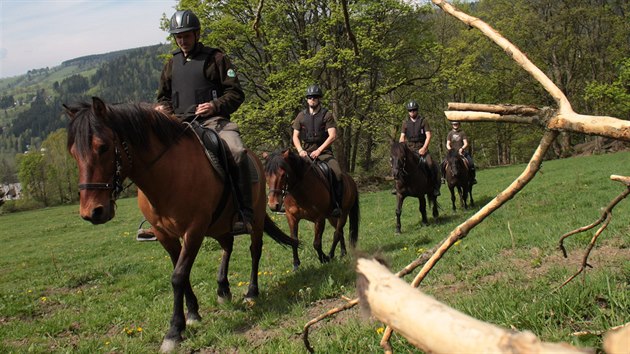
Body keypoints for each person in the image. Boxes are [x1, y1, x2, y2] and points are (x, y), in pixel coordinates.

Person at [137, 9, 250, 240]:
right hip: (178, 124)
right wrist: (162, 109)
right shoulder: (171, 64)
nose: (182, 40)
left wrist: (215, 105)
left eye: (186, 35)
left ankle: (243, 212)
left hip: (212, 121)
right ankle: (155, 220)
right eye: (178, 37)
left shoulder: (216, 58)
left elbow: (236, 93)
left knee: (237, 151)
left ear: (197, 34)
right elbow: (164, 97)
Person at [292, 84, 343, 217]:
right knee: (288, 170)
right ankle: (287, 203)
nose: (312, 99)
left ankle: (336, 205)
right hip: (305, 153)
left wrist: (319, 150)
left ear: (319, 98)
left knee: (337, 172)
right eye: (309, 97)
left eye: (314, 97)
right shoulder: (301, 116)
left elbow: (332, 136)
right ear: (307, 99)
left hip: (324, 153)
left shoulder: (327, 115)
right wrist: (300, 150)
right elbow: (295, 136)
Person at [398, 100, 441, 197]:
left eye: (414, 110)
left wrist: (424, 148)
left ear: (417, 110)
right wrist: (401, 147)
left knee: (430, 163)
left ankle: (434, 186)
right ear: (408, 111)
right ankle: (399, 186)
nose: (412, 112)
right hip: (410, 149)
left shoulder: (423, 121)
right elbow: (402, 137)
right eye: (410, 110)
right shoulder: (405, 123)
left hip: (421, 148)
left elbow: (428, 135)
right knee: (398, 163)